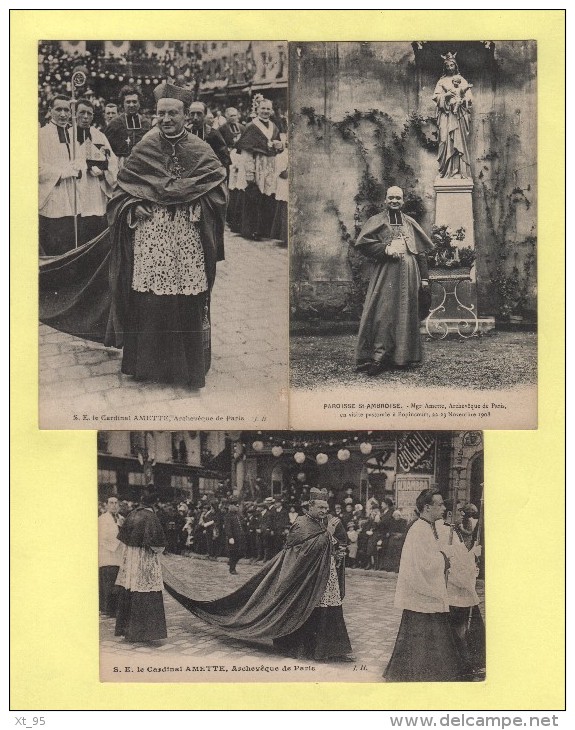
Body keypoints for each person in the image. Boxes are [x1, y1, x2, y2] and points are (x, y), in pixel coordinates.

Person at [105, 81, 227, 388]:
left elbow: (218, 191)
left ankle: (185, 370)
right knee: (150, 299)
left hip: (186, 233)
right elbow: (121, 191)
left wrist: (203, 205)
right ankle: (147, 367)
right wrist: (133, 208)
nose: (167, 119)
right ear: (155, 115)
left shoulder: (201, 150)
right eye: (161, 113)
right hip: (152, 234)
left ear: (186, 115)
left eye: (173, 113)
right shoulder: (145, 145)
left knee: (186, 299)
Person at [162, 487, 355, 663]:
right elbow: (301, 552)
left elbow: (340, 542)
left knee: (330, 609)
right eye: (320, 507)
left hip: (325, 574)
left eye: (325, 507)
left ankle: (332, 649)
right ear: (310, 506)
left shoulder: (329, 522)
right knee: (307, 608)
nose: (323, 511)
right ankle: (307, 648)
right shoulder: (301, 524)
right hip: (305, 578)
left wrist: (338, 551)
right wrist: (327, 536)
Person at [384, 488, 468, 682]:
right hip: (420, 593)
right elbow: (425, 564)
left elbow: (432, 555)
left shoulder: (428, 526)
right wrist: (445, 556)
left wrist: (445, 552)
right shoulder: (419, 529)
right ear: (427, 507)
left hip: (424, 592)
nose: (444, 508)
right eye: (439, 504)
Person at [354, 186, 434, 375]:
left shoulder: (410, 222)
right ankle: (378, 357)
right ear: (385, 200)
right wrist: (385, 249)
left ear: (403, 200)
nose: (394, 201)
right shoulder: (376, 220)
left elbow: (420, 252)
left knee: (406, 312)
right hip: (386, 272)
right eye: (391, 198)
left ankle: (402, 358)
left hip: (410, 274)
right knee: (384, 312)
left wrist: (425, 279)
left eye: (398, 198)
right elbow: (363, 245)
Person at [437, 500, 485, 677]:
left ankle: (470, 662)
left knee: (469, 627)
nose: (463, 514)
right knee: (459, 630)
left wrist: (473, 556)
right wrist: (472, 555)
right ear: (450, 514)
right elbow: (454, 561)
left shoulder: (455, 530)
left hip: (462, 586)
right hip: (454, 588)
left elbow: (461, 555)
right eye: (459, 511)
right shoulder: (445, 531)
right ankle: (463, 665)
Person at [114, 491, 167, 643]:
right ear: (154, 503)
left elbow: (124, 538)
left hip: (131, 560)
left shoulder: (132, 514)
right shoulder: (151, 517)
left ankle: (128, 632)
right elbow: (157, 545)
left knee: (130, 590)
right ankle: (143, 634)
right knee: (146, 592)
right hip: (144, 561)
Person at [38, 95, 82, 255]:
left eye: (67, 110)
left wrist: (78, 166)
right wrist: (61, 173)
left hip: (71, 198)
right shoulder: (41, 135)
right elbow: (37, 167)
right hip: (52, 198)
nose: (63, 114)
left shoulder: (72, 133)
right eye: (58, 109)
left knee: (71, 244)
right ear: (50, 111)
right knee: (54, 246)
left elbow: (80, 159)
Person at [236, 97, 284, 240]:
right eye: (263, 108)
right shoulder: (252, 126)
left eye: (268, 109)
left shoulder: (274, 126)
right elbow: (246, 152)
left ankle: (265, 230)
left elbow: (279, 146)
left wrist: (279, 145)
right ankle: (251, 230)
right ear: (257, 110)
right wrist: (249, 172)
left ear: (272, 110)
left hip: (269, 166)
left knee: (267, 197)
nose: (265, 111)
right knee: (253, 197)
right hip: (256, 164)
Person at [74, 98, 118, 243]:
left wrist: (104, 172)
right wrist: (84, 166)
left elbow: (112, 161)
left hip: (95, 192)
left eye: (89, 114)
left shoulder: (99, 136)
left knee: (95, 232)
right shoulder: (68, 135)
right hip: (76, 191)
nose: (85, 117)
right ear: (75, 114)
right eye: (82, 113)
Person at [432, 53, 473, 179]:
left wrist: (463, 100)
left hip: (458, 116)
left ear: (455, 66)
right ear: (445, 67)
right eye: (448, 66)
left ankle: (458, 172)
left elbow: (469, 97)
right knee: (444, 141)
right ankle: (445, 172)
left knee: (458, 141)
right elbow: (436, 97)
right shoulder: (441, 81)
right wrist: (445, 96)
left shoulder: (462, 80)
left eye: (452, 65)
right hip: (446, 115)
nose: (450, 68)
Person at [104, 85, 151, 163]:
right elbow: (105, 149)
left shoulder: (146, 124)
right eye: (128, 102)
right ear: (123, 103)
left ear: (139, 103)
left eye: (134, 101)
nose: (131, 105)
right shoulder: (114, 124)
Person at [98, 495, 123, 617]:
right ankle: (107, 609)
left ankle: (115, 609)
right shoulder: (102, 519)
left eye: (116, 503)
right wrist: (118, 542)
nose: (114, 505)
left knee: (116, 584)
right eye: (111, 503)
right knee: (108, 582)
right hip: (107, 555)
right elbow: (102, 538)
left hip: (119, 556)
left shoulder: (121, 519)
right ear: (107, 505)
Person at [187, 101, 231, 170]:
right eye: (192, 114)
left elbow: (224, 158)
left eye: (199, 114)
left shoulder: (213, 134)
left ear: (204, 115)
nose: (195, 117)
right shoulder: (185, 132)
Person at [223, 499, 245, 575]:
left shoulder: (238, 515)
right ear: (232, 507)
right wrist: (230, 537)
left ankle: (231, 563)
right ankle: (232, 569)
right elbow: (227, 527)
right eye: (236, 506)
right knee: (233, 553)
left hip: (240, 537)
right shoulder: (228, 516)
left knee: (240, 553)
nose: (237, 507)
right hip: (233, 538)